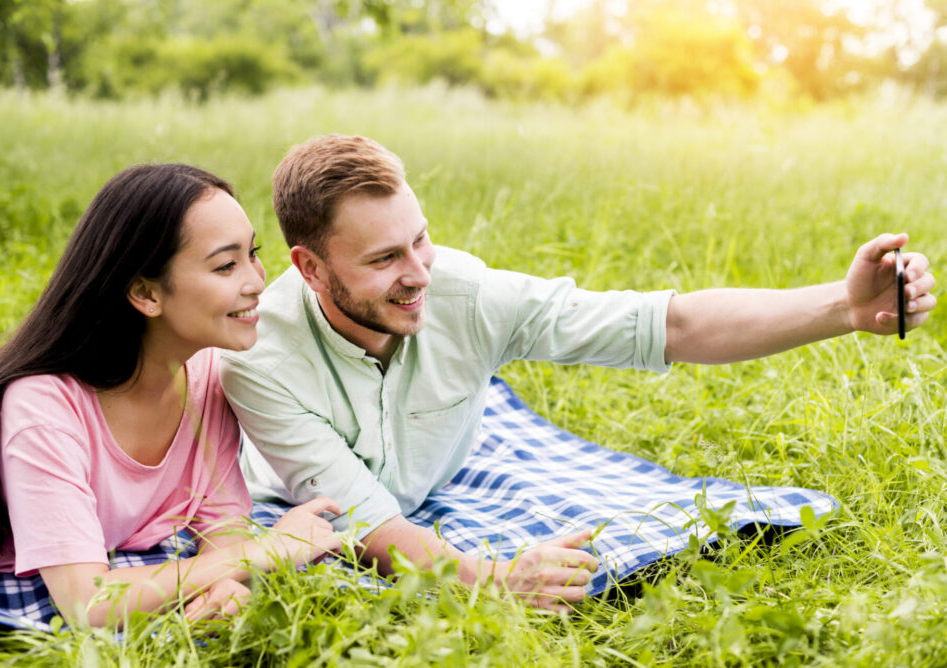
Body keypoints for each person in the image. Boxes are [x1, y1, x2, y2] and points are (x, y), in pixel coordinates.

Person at [220, 134, 937, 613]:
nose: (418, 275)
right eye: (384, 260)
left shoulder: (463, 293)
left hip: (438, 463)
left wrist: (842, 307)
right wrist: (497, 580)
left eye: (422, 239)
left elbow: (669, 324)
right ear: (309, 268)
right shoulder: (258, 357)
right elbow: (369, 522)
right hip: (305, 494)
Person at [0, 164, 342, 628]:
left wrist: (228, 584)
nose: (258, 280)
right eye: (225, 265)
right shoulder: (41, 409)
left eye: (252, 253)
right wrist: (270, 549)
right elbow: (86, 603)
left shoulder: (208, 374)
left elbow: (223, 526)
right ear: (144, 293)